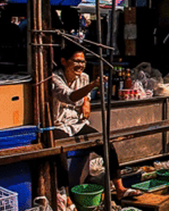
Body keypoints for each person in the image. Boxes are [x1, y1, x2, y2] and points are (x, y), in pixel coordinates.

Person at [51, 44, 126, 199]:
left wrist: (87, 101)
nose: (80, 65)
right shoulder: (55, 78)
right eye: (77, 61)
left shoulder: (84, 77)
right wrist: (92, 86)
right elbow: (69, 96)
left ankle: (119, 188)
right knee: (60, 154)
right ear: (64, 61)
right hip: (58, 125)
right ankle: (66, 199)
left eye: (83, 62)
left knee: (107, 145)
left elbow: (85, 97)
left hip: (78, 124)